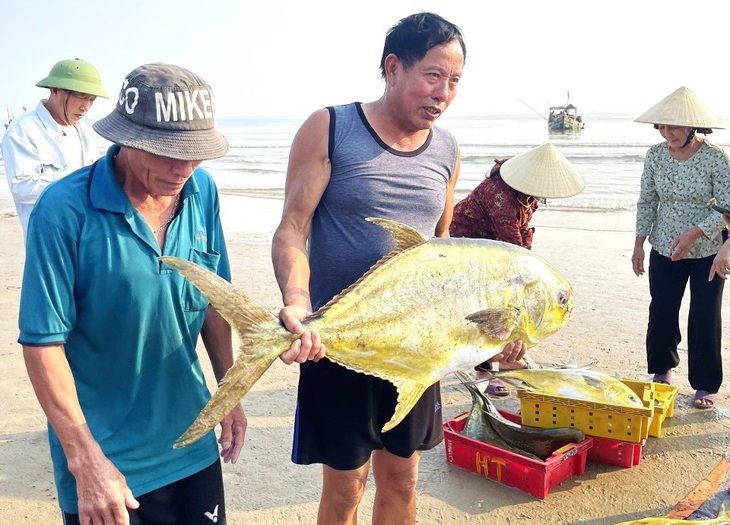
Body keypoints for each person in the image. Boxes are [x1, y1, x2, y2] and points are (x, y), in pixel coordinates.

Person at [271, 12, 525, 525]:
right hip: (339, 341)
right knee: (345, 487)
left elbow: (442, 250)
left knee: (403, 481)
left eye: (454, 81)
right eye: (433, 75)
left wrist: (494, 323)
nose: (444, 92)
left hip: (416, 348)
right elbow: (292, 229)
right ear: (392, 67)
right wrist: (298, 300)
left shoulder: (448, 149)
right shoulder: (331, 127)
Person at [18, 63, 247, 525]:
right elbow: (43, 345)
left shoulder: (201, 190)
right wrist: (85, 461)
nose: (184, 168)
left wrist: (229, 394)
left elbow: (214, 304)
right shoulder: (64, 211)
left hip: (192, 445)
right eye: (167, 152)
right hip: (106, 458)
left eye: (196, 153)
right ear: (126, 138)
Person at [450, 142, 584, 395]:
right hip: (471, 249)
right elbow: (510, 243)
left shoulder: (528, 193)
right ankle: (485, 371)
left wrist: (529, 259)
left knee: (508, 304)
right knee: (486, 308)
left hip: (498, 249)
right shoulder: (498, 195)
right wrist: (530, 270)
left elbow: (522, 232)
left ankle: (507, 358)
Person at [632, 86, 730, 410]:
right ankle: (662, 369)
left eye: (674, 126)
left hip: (708, 250)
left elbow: (728, 206)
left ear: (692, 127)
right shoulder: (655, 156)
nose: (667, 132)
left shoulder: (716, 157)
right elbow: (647, 200)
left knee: (704, 315)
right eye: (661, 126)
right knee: (661, 309)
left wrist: (695, 233)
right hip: (664, 245)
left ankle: (704, 385)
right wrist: (638, 245)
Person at [1, 58, 107, 240]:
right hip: (47, 238)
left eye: (91, 99)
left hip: (85, 235)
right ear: (55, 90)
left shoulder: (81, 130)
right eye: (81, 96)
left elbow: (97, 169)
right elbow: (22, 187)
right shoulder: (24, 129)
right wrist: (80, 180)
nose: (86, 107)